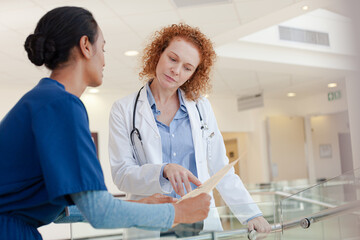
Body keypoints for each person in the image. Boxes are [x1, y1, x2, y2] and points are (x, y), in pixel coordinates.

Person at [0, 7, 211, 240]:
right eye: (103, 47)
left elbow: (65, 211)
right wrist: (176, 212)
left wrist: (143, 206)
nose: (104, 59)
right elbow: (100, 212)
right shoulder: (60, 105)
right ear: (85, 46)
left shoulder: (47, 99)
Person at [109, 23, 272, 235]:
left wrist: (251, 213)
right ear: (159, 54)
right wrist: (163, 170)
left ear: (194, 74)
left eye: (187, 67)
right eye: (173, 59)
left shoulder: (201, 107)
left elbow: (220, 169)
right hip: (152, 221)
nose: (176, 71)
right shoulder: (124, 109)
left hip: (199, 222)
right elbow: (122, 175)